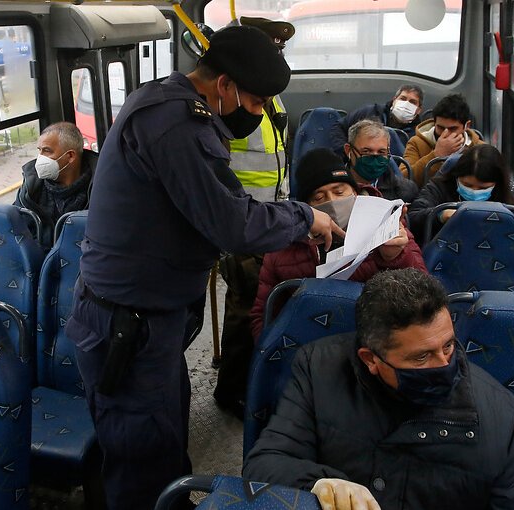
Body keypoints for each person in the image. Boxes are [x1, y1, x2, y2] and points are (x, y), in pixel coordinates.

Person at [64, 26, 342, 510]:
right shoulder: (179, 125)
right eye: (255, 103)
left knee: (166, 434)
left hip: (150, 316)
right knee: (140, 453)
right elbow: (232, 222)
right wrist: (305, 217)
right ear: (224, 86)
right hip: (127, 322)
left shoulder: (165, 100)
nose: (256, 117)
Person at [244, 268, 514, 510]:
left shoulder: (499, 413)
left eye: (448, 346)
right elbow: (263, 464)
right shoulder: (319, 369)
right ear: (371, 359)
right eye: (421, 357)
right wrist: (319, 484)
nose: (444, 364)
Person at [249, 148, 427, 341]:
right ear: (306, 207)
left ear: (355, 192)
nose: (332, 202)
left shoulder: (387, 226)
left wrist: (394, 257)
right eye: (319, 198)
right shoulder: (285, 245)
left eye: (340, 192)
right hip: (310, 345)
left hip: (377, 339)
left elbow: (422, 294)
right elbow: (264, 315)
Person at [214, 15, 295, 420]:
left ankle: (247, 380)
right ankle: (231, 392)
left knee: (259, 304)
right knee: (244, 309)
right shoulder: (228, 102)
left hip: (270, 217)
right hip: (243, 222)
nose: (276, 56)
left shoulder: (268, 94)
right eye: (269, 48)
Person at [408, 144, 514, 245]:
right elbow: (412, 218)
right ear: (457, 177)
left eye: (483, 188)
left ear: (497, 184)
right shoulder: (440, 187)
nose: (474, 191)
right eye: (467, 185)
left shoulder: (513, 199)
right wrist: (440, 215)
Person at [14, 122, 97, 249]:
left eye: (47, 151)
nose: (40, 158)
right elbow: (17, 230)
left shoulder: (100, 187)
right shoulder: (31, 187)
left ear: (70, 156)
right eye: (39, 151)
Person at [402, 93, 484, 185]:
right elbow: (404, 178)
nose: (445, 133)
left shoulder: (480, 148)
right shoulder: (416, 142)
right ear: (434, 123)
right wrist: (436, 155)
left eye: (453, 129)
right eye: (440, 127)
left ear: (466, 126)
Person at [344, 119, 419, 203]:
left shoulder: (405, 190)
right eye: (366, 151)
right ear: (348, 150)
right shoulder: (331, 188)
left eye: (381, 152)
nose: (374, 158)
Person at [344, 84, 425, 140]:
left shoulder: (419, 134)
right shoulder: (370, 112)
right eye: (403, 99)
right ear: (394, 100)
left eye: (412, 102)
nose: (406, 104)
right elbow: (339, 126)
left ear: (418, 110)